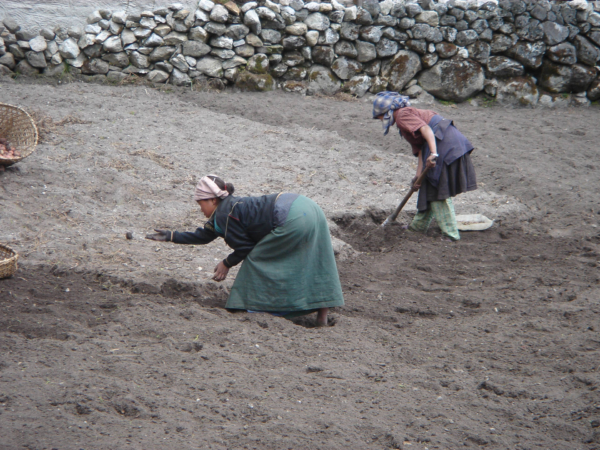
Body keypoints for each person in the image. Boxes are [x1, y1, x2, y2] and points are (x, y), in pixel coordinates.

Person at [146, 175, 344, 326]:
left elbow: (246, 248)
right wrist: (171, 236)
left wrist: (226, 263)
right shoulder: (227, 210)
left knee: (257, 259)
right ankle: (321, 316)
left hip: (292, 217)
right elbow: (203, 236)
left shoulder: (224, 215)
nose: (201, 210)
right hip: (307, 206)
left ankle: (256, 307)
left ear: (213, 200)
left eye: (201, 204)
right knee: (313, 259)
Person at [372, 91, 477, 241]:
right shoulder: (405, 118)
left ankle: (450, 234)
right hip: (443, 143)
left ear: (387, 112)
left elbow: (427, 130)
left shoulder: (401, 115)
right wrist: (418, 177)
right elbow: (421, 149)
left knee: (438, 190)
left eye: (379, 116)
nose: (380, 119)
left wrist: (434, 154)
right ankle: (418, 227)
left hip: (444, 144)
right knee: (428, 185)